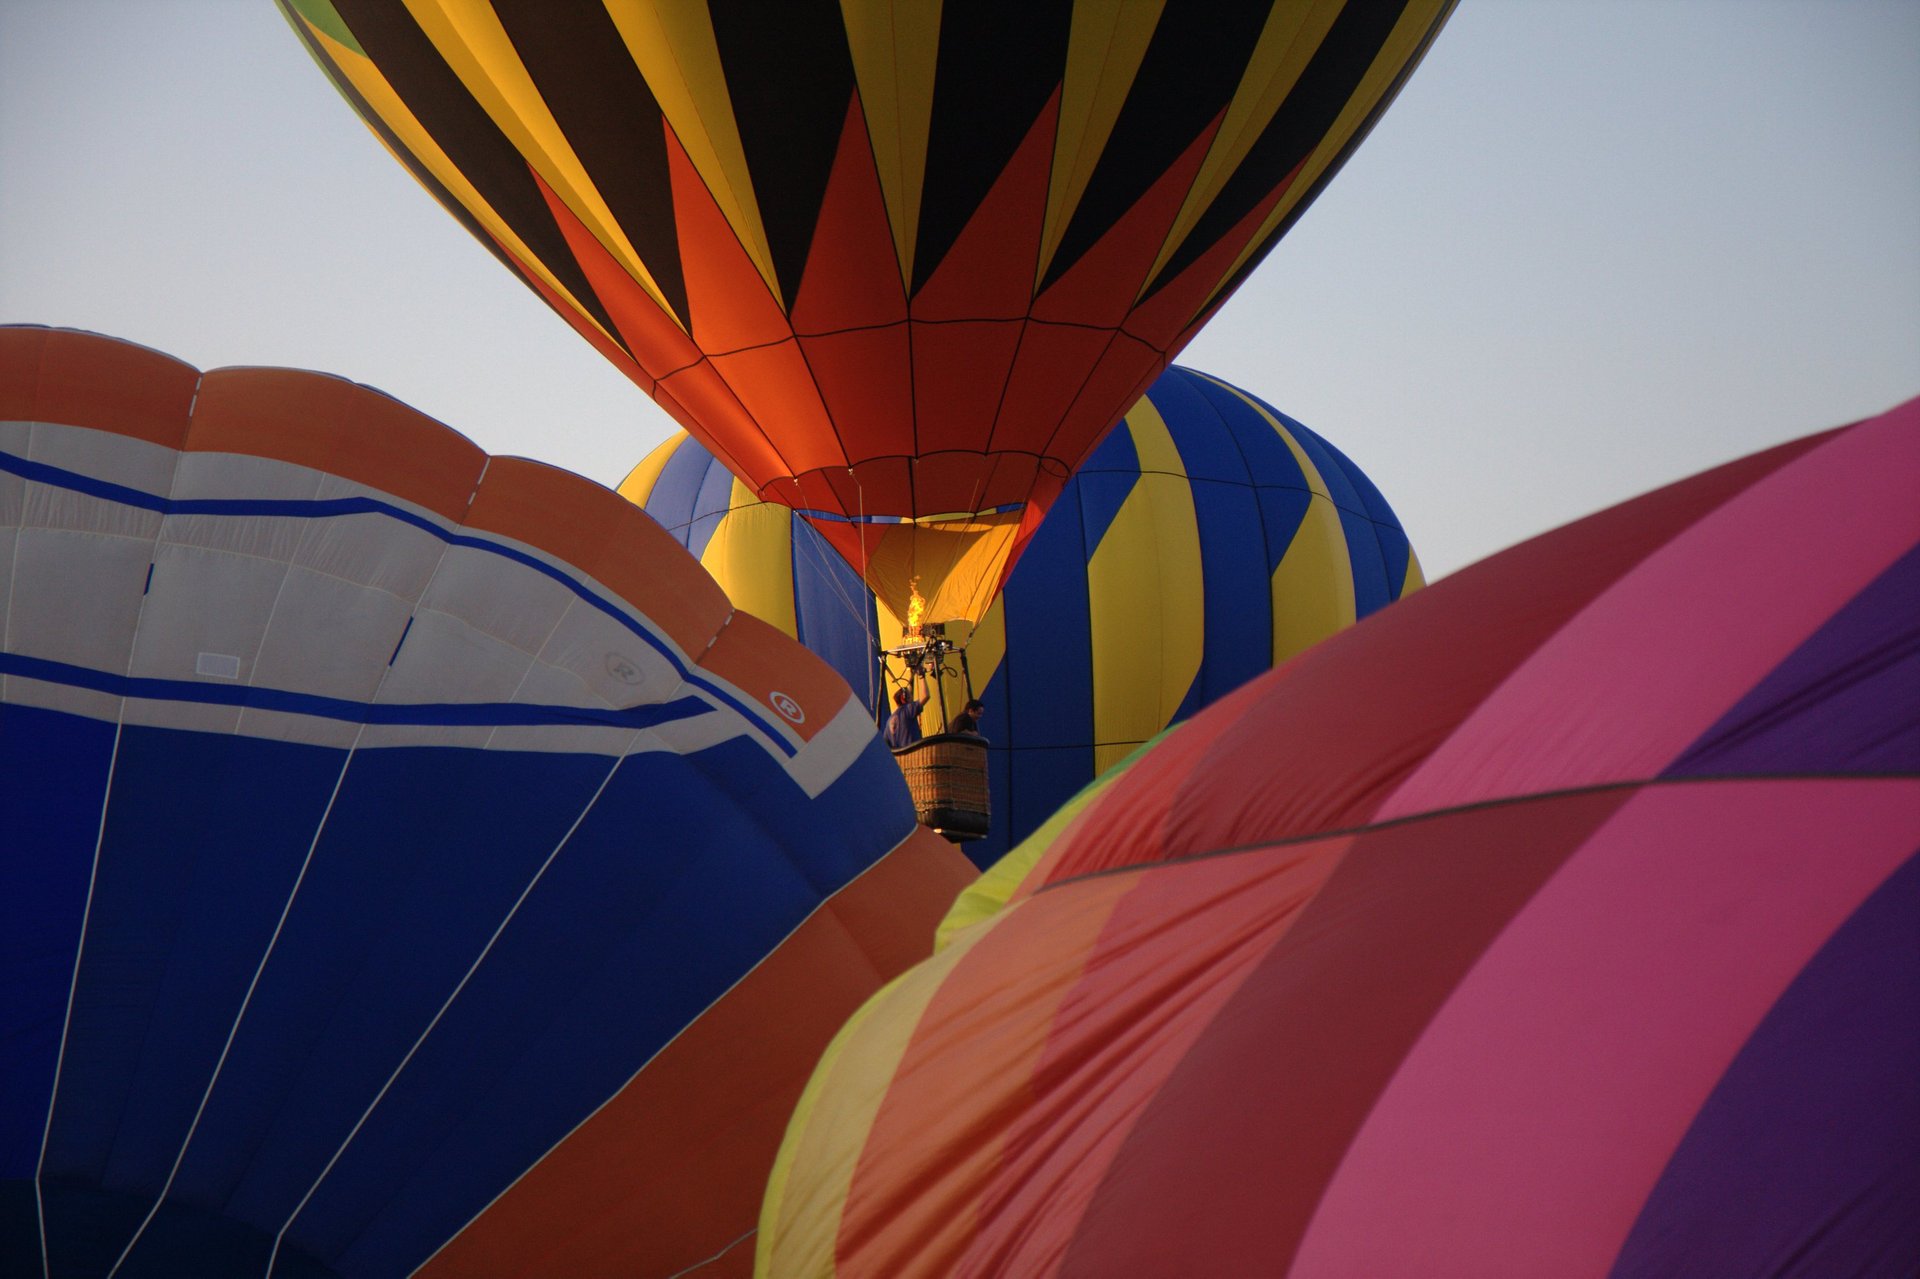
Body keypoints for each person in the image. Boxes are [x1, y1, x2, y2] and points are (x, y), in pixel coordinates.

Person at [884, 676, 927, 750]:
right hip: (915, 755)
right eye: (910, 697)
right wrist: (921, 675)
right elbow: (925, 696)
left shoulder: (889, 722)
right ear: (903, 699)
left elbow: (885, 744)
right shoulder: (907, 710)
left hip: (901, 759)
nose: (912, 700)